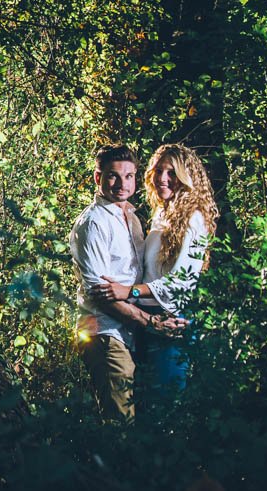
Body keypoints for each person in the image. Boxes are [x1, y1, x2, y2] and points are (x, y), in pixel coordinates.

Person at [89, 143, 218, 398]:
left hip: (170, 319)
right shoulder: (163, 213)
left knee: (164, 405)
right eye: (158, 171)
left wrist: (128, 292)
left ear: (186, 176)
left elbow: (181, 282)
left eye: (171, 172)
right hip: (145, 319)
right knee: (144, 405)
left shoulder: (194, 218)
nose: (162, 178)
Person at [68, 145, 184, 422]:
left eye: (129, 176)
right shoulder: (93, 223)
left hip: (132, 332)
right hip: (107, 333)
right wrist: (151, 322)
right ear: (98, 178)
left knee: (142, 421)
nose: (122, 184)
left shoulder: (131, 218)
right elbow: (101, 296)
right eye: (113, 176)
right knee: (120, 424)